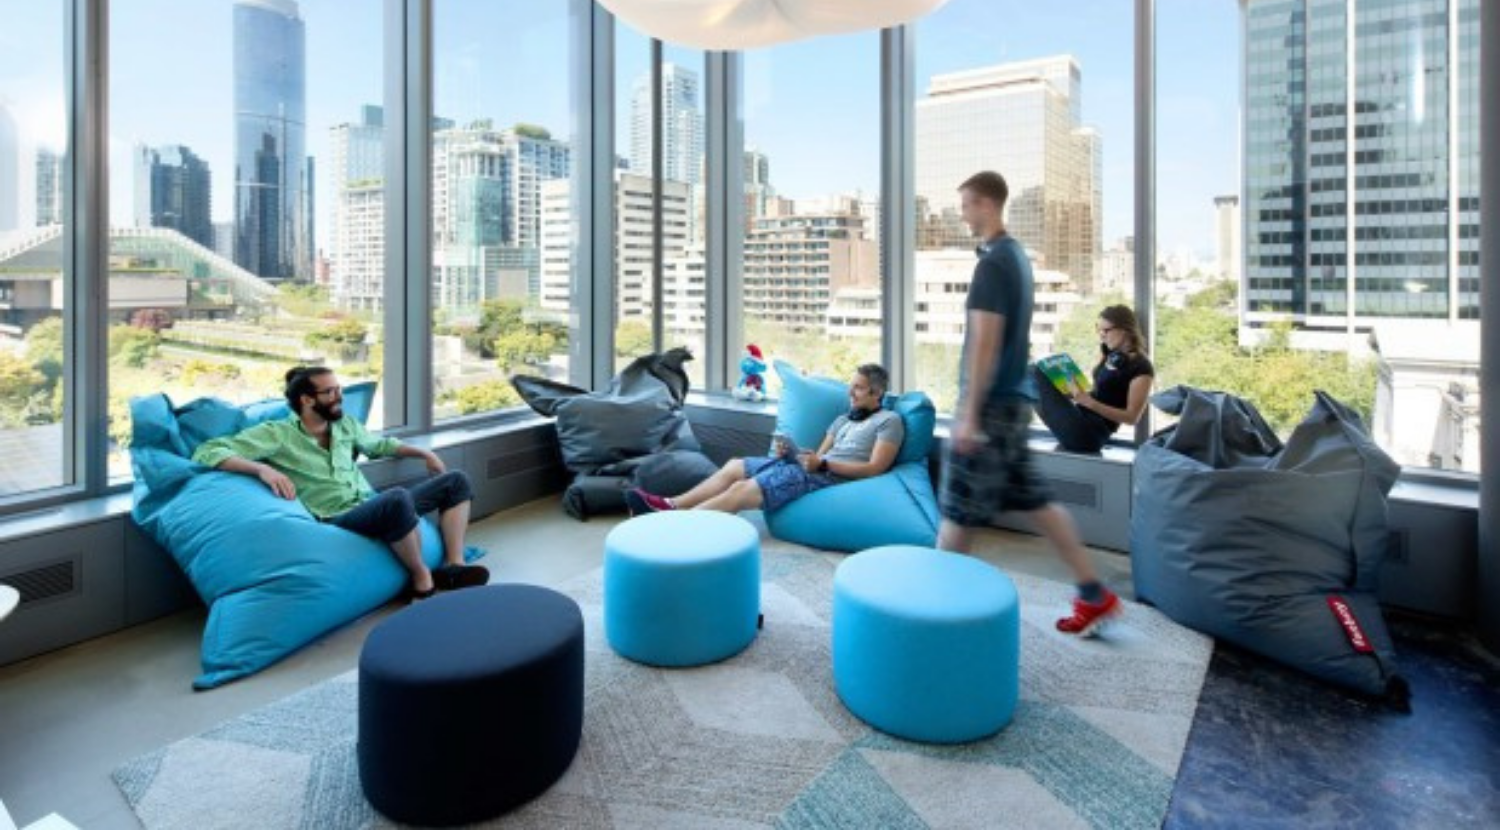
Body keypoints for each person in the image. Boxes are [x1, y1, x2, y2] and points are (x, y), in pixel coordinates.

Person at [938, 170, 1121, 636]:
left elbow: (984, 339)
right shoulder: (1017, 258)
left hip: (992, 407)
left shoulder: (993, 263)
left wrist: (970, 415)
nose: (962, 214)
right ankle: (1095, 593)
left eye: (965, 205)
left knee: (958, 512)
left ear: (986, 204)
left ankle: (932, 612)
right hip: (1015, 402)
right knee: (1038, 500)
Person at [191, 366, 488, 601]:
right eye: (330, 392)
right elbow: (208, 451)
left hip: (370, 504)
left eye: (339, 389)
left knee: (456, 481)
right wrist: (261, 470)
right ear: (307, 400)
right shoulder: (277, 433)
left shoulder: (345, 425)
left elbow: (378, 446)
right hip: (337, 517)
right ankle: (422, 578)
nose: (339, 396)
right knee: (396, 499)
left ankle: (453, 565)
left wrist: (423, 452)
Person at [625, 364, 904, 516]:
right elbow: (817, 456)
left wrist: (821, 465)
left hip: (831, 478)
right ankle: (671, 504)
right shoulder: (842, 420)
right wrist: (794, 454)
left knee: (742, 490)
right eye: (850, 386)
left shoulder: (889, 421)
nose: (850, 393)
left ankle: (677, 527)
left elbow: (874, 469)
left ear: (876, 393)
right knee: (735, 465)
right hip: (814, 470)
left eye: (858, 388)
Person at [1034, 305, 1155, 453]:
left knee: (1033, 372)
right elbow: (1101, 393)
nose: (1101, 335)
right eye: (1099, 329)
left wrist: (1088, 401)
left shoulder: (1142, 367)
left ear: (1125, 329)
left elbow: (1132, 417)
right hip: (1080, 417)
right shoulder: (1111, 355)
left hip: (1090, 434)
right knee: (1039, 371)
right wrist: (1073, 392)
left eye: (1106, 330)